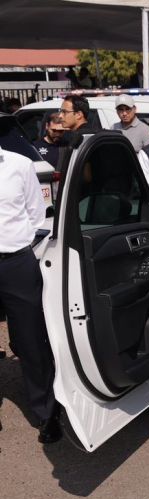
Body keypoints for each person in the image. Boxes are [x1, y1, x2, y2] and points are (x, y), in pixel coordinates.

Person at [0, 145, 59, 443]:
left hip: (16, 263)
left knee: (30, 339)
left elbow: (37, 215)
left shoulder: (20, 164)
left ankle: (46, 412)